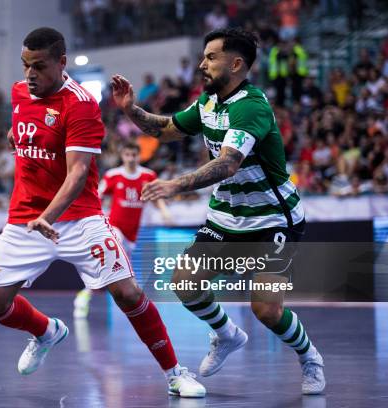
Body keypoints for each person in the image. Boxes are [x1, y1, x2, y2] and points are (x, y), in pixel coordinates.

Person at [0, 27, 205, 398]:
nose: (29, 74)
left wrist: (48, 216)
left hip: (79, 219)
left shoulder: (81, 104)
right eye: (25, 66)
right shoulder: (21, 93)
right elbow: (21, 126)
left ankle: (175, 373)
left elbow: (78, 172)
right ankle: (47, 332)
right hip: (25, 220)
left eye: (39, 66)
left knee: (128, 293)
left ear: (62, 63)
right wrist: (16, 135)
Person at [111, 27, 325, 395]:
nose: (201, 65)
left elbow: (227, 164)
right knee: (185, 283)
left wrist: (175, 184)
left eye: (211, 57)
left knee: (267, 311)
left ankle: (310, 358)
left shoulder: (251, 106)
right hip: (226, 217)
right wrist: (131, 110)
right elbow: (166, 129)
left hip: (272, 219)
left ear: (237, 64)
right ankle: (227, 334)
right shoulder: (208, 103)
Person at [73, 141, 173, 318]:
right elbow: (97, 196)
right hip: (114, 229)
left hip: (133, 233)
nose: (131, 159)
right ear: (122, 156)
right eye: (127, 155)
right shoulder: (113, 175)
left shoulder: (148, 176)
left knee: (117, 272)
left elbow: (156, 197)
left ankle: (87, 292)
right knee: (116, 265)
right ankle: (88, 295)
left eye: (134, 155)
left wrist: (165, 212)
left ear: (139, 156)